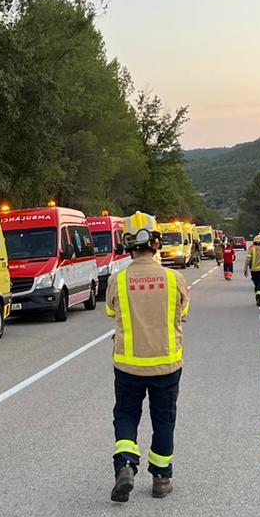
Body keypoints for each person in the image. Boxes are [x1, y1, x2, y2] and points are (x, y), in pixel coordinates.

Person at [106, 211, 190, 502]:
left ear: (127, 245)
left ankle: (126, 464)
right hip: (166, 365)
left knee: (126, 414)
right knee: (164, 420)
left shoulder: (118, 280)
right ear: (156, 242)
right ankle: (161, 478)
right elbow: (183, 314)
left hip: (128, 365)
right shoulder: (174, 278)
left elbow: (111, 312)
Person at [244, 234, 260, 307]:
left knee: (257, 285)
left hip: (254, 271)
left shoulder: (251, 250)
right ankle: (259, 297)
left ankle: (258, 297)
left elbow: (247, 260)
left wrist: (245, 270)